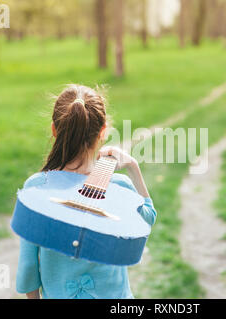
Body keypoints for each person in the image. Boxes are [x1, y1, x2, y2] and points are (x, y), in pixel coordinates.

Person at [15, 84, 156, 299]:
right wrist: (133, 167)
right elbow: (148, 218)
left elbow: (28, 267)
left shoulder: (35, 189)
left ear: (54, 129)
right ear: (103, 131)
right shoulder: (119, 188)